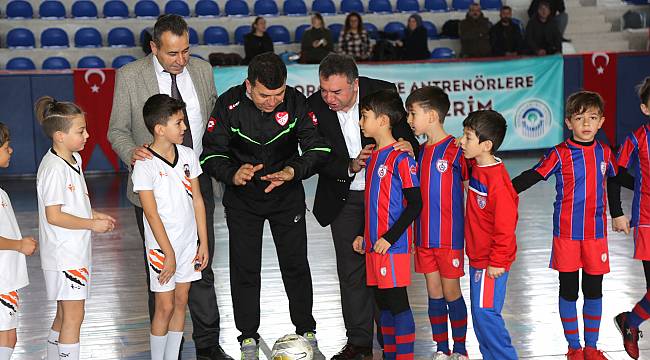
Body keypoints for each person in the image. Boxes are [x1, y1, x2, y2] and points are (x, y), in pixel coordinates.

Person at [107, 14, 231, 360]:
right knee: (161, 273)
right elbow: (116, 130)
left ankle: (208, 344)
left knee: (201, 265)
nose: (181, 60)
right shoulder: (130, 76)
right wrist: (132, 152)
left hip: (197, 176)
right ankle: (166, 352)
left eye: (186, 51)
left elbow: (214, 123)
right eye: (172, 53)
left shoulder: (203, 71)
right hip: (154, 188)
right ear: (154, 48)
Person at [200, 52, 330, 360]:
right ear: (248, 85)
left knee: (296, 264)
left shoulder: (297, 102)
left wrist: (293, 171)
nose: (271, 102)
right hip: (243, 199)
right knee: (244, 268)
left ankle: (307, 331)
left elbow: (318, 147)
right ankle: (247, 337)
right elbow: (210, 154)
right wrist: (233, 173)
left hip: (286, 197)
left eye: (277, 95)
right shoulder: (228, 105)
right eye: (263, 96)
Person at [307, 53, 418, 360]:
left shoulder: (382, 92)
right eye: (324, 90)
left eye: (337, 92)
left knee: (386, 273)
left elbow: (408, 139)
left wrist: (411, 146)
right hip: (343, 198)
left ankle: (391, 338)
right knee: (351, 273)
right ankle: (358, 344)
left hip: (385, 201)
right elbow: (316, 154)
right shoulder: (314, 105)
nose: (329, 98)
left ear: (355, 85)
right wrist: (350, 164)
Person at [511, 91, 616, 360]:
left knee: (594, 290)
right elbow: (533, 175)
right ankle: (574, 348)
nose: (586, 124)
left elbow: (616, 180)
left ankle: (591, 347)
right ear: (569, 123)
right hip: (567, 234)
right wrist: (505, 190)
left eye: (592, 118)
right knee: (568, 289)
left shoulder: (605, 152)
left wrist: (620, 212)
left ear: (601, 122)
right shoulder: (559, 154)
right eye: (579, 118)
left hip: (596, 234)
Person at [34, 96, 116, 360]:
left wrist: (94, 214)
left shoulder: (75, 160)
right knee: (74, 316)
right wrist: (91, 224)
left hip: (73, 253)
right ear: (59, 135)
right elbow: (54, 216)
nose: (88, 135)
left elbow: (73, 205)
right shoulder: (54, 169)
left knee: (63, 315)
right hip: (64, 255)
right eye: (80, 131)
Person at [132, 95, 210, 360]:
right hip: (161, 248)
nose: (185, 127)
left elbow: (198, 200)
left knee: (181, 302)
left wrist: (203, 242)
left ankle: (172, 356)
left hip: (189, 243)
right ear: (159, 128)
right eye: (179, 122)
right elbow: (151, 214)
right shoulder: (144, 164)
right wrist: (169, 253)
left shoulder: (188, 155)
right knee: (164, 306)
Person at [351, 89, 422, 360]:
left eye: (364, 117)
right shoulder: (372, 157)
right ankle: (391, 354)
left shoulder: (402, 157)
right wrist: (362, 233)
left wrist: (389, 238)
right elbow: (372, 204)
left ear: (382, 121)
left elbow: (415, 204)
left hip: (391, 246)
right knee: (382, 303)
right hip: (373, 244)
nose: (360, 122)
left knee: (397, 302)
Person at [405, 87, 468, 360]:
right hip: (424, 237)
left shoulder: (457, 150)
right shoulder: (418, 152)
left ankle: (461, 349)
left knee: (451, 291)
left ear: (431, 116)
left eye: (412, 114)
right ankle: (442, 350)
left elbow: (469, 189)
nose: (409, 120)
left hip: (449, 237)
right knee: (433, 292)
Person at [458, 110, 518, 360]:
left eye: (468, 137)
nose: (462, 141)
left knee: (485, 313)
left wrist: (498, 260)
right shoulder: (477, 165)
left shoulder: (497, 182)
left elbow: (506, 226)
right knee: (480, 315)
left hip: (491, 261)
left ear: (486, 145)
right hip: (478, 258)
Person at [609, 77, 650, 360]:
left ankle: (630, 322)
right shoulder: (637, 138)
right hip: (648, 220)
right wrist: (618, 212)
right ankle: (630, 322)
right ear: (645, 109)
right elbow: (616, 174)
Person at [0, 123, 37, 360]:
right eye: (5, 146)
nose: (10, 150)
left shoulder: (2, 193)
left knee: (9, 336)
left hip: (6, 278)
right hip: (1, 280)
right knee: (6, 337)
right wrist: (18, 245)